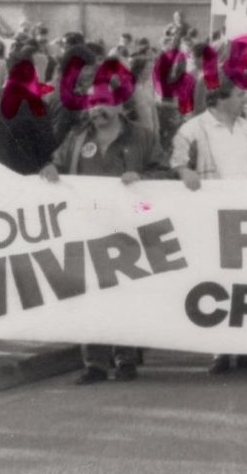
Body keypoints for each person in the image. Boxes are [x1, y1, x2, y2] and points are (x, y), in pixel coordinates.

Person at [40, 92, 173, 384]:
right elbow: (57, 165)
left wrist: (142, 180)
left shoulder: (142, 137)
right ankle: (95, 363)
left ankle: (125, 358)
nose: (95, 109)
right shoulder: (76, 136)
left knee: (125, 292)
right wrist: (51, 169)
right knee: (91, 294)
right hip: (86, 227)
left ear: (120, 104)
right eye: (90, 103)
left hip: (127, 227)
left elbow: (165, 172)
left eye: (102, 103)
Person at [171, 81, 247, 374]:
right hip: (211, 217)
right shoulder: (193, 129)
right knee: (217, 280)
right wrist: (183, 171)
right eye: (239, 95)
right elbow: (177, 159)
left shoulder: (246, 128)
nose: (245, 99)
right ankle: (221, 349)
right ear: (220, 99)